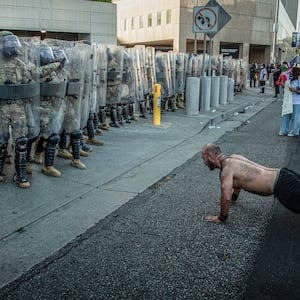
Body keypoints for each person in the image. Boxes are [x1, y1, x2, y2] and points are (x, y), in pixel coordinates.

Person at [201, 143, 300, 223]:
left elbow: (226, 197)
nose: (204, 162)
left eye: (203, 158)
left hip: (283, 186)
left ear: (210, 157)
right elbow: (237, 182)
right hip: (285, 174)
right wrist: (234, 199)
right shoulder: (235, 157)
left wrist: (221, 218)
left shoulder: (226, 171)